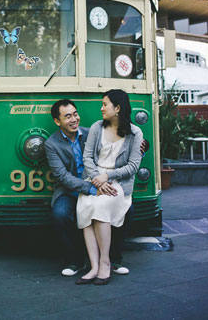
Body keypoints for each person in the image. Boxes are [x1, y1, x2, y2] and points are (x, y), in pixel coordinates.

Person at [45, 98, 138, 277]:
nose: (74, 119)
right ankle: (75, 261)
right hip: (71, 190)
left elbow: (112, 152)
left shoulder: (92, 133)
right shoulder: (52, 144)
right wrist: (92, 188)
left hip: (100, 184)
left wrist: (139, 146)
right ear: (57, 121)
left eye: (75, 114)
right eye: (67, 117)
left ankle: (114, 259)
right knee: (60, 214)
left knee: (128, 208)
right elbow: (63, 177)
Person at [75, 89, 143, 285]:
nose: (101, 108)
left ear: (118, 108)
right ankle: (94, 266)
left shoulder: (134, 133)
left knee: (101, 206)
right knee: (85, 205)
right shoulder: (97, 127)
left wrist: (108, 175)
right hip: (95, 179)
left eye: (105, 104)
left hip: (118, 182)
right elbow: (87, 156)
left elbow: (132, 166)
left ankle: (105, 262)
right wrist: (97, 178)